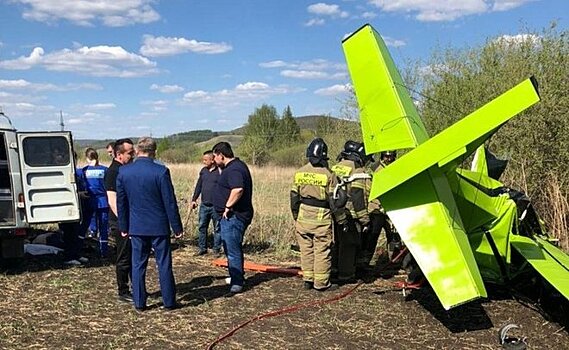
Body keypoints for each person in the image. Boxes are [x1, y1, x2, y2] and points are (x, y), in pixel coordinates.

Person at [117, 137, 183, 311]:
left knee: (138, 264)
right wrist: (176, 227)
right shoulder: (161, 172)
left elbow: (121, 203)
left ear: (138, 151)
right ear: (154, 152)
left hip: (136, 226)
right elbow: (169, 201)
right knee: (163, 263)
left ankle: (139, 302)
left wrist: (123, 226)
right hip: (159, 226)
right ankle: (169, 301)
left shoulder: (124, 173)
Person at [291, 138, 344, 291]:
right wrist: (341, 220)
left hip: (302, 217)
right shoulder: (329, 175)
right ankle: (321, 283)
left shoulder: (299, 172)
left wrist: (296, 215)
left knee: (306, 249)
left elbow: (294, 197)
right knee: (321, 250)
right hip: (321, 219)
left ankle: (308, 279)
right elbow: (335, 201)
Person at [212, 142, 253, 294]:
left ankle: (237, 282)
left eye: (215, 156)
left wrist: (228, 206)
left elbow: (238, 189)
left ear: (221, 155)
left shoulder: (235, 169)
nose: (214, 159)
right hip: (231, 216)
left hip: (234, 216)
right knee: (230, 247)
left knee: (232, 249)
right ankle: (235, 275)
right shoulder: (234, 167)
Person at [331, 141, 373, 283]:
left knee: (339, 242)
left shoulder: (337, 167)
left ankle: (334, 269)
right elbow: (357, 196)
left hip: (336, 212)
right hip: (351, 215)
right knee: (350, 244)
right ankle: (346, 275)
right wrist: (364, 219)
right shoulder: (358, 171)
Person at [105, 138, 135, 303]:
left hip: (129, 220)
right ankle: (123, 290)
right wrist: (125, 223)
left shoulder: (125, 170)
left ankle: (135, 287)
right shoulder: (113, 172)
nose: (133, 156)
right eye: (130, 153)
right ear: (119, 154)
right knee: (123, 256)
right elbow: (113, 201)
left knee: (132, 255)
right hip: (120, 222)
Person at [365, 150, 401, 264]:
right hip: (376, 207)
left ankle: (394, 260)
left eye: (391, 156)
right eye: (386, 156)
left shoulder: (398, 167)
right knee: (375, 236)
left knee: (394, 236)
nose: (389, 159)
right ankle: (372, 261)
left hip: (392, 207)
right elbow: (368, 189)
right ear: (382, 156)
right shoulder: (374, 168)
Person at [191, 150, 222, 256]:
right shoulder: (203, 171)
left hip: (216, 206)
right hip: (204, 205)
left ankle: (216, 249)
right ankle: (202, 248)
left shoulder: (220, 171)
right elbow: (199, 185)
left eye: (205, 160)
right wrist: (194, 199)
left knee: (217, 228)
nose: (203, 162)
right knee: (202, 227)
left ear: (212, 160)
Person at [82, 148, 109, 257]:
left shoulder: (84, 171)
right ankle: (104, 252)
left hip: (89, 201)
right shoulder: (105, 170)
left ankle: (82, 248)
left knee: (86, 225)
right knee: (103, 227)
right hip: (103, 201)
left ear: (87, 158)